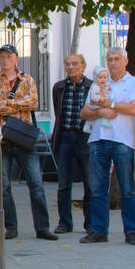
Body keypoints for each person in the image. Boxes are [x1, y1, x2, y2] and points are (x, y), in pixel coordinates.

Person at [0, 44, 55, 241]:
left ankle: (42, 227)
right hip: (3, 139)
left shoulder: (27, 79)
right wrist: (17, 103)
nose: (5, 59)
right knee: (4, 185)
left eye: (9, 56)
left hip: (24, 138)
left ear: (16, 59)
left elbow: (33, 103)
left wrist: (6, 104)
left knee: (36, 184)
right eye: (2, 56)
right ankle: (11, 226)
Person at [80, 46, 135, 245]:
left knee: (127, 188)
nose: (113, 63)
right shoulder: (100, 81)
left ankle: (131, 231)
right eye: (109, 59)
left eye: (117, 59)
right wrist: (100, 112)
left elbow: (134, 108)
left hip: (122, 141)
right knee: (97, 189)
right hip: (98, 140)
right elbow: (84, 113)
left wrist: (110, 105)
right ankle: (99, 231)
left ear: (125, 61)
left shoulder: (134, 82)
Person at [51, 53, 93, 235]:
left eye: (75, 64)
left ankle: (90, 223)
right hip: (65, 138)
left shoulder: (91, 87)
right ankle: (64, 222)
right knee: (63, 184)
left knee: (90, 183)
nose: (71, 67)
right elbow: (58, 112)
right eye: (67, 64)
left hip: (85, 138)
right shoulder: (59, 87)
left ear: (83, 66)